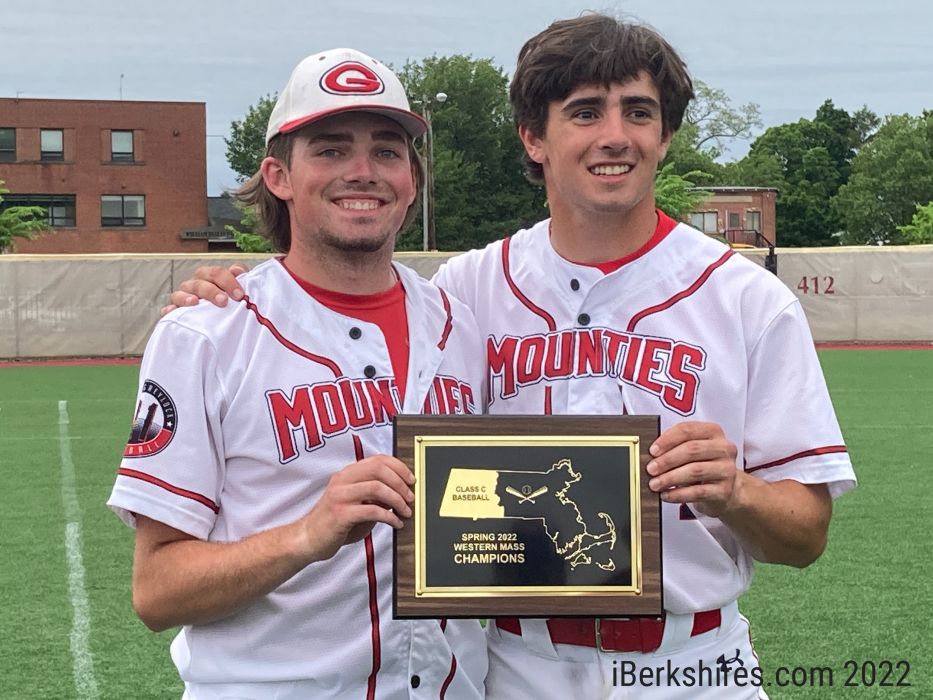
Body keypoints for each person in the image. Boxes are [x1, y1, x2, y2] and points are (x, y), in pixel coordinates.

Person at [166, 15, 856, 699]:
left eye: (639, 112)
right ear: (533, 137)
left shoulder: (747, 299)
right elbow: (339, 300)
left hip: (691, 662)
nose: (615, 136)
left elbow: (806, 537)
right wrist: (231, 294)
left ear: (664, 135)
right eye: (584, 112)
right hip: (514, 665)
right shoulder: (465, 293)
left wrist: (737, 492)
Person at [108, 47, 488, 700]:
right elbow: (157, 592)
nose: (362, 171)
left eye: (387, 151)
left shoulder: (462, 325)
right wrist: (307, 535)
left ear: (412, 181)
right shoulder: (206, 332)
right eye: (331, 150)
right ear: (278, 176)